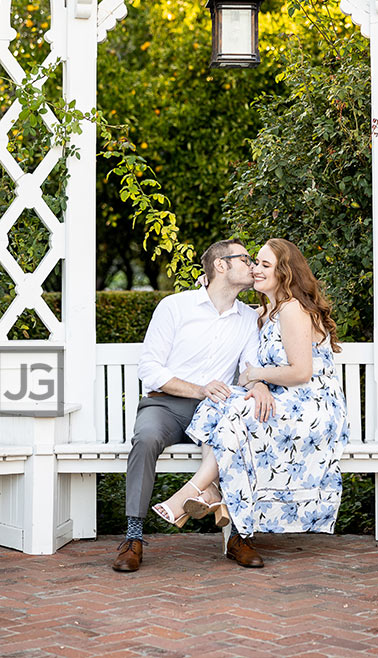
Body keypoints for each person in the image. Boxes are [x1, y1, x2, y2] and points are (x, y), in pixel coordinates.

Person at [162, 237, 349, 568]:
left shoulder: (292, 309)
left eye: (264, 264)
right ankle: (210, 493)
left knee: (237, 407)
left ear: (285, 271)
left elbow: (302, 372)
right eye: (253, 263)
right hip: (284, 400)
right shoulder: (266, 312)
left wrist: (255, 374)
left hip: (311, 407)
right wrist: (207, 282)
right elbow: (223, 299)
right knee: (218, 397)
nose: (255, 269)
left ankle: (193, 491)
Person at [111, 238, 275, 573]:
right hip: (167, 406)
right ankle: (133, 538)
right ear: (220, 265)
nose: (252, 265)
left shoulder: (247, 318)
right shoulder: (175, 307)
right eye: (244, 258)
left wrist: (258, 384)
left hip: (215, 411)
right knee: (145, 439)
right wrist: (198, 389)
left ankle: (239, 537)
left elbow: (248, 368)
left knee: (242, 433)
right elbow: (151, 370)